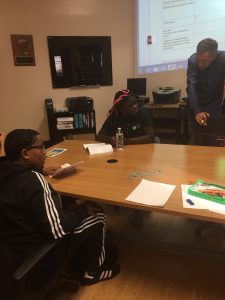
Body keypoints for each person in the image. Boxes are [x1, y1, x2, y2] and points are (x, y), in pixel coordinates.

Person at [0, 129, 119, 286]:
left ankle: (84, 253)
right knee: (97, 214)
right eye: (41, 147)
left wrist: (40, 170)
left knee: (69, 205)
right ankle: (92, 272)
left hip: (13, 249)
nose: (45, 152)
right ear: (25, 154)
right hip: (39, 254)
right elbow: (57, 229)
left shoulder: (5, 171)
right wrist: (83, 209)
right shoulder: (33, 181)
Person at [186, 38, 225, 145]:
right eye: (198, 59)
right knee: (196, 141)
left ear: (214, 56)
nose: (200, 64)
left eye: (203, 61)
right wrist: (197, 111)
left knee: (213, 141)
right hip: (194, 105)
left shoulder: (223, 60)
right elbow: (191, 86)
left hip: (214, 105)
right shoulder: (192, 60)